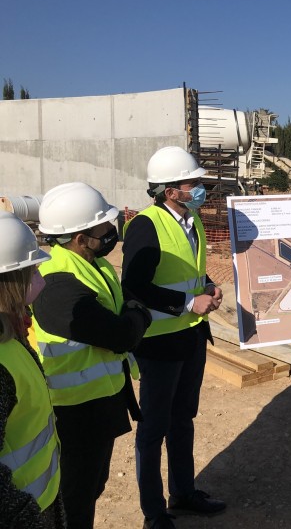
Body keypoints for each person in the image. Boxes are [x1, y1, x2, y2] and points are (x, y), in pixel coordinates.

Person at [32, 182, 152, 529]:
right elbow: (122, 334)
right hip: (73, 414)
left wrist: (131, 312)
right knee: (75, 500)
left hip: (99, 403)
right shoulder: (56, 284)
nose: (111, 232)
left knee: (91, 487)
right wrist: (138, 315)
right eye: (104, 227)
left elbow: (124, 304)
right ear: (81, 238)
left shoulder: (89, 264)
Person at [121, 146, 225, 529]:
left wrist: (209, 287)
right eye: (192, 182)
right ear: (170, 191)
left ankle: (184, 492)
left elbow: (192, 274)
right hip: (160, 346)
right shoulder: (146, 225)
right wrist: (186, 303)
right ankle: (154, 512)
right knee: (153, 430)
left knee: (184, 419)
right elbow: (133, 286)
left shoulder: (191, 220)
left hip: (192, 340)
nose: (200, 188)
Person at [0, 212, 66, 529]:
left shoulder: (11, 333)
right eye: (32, 269)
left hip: (41, 502)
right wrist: (26, 518)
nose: (40, 276)